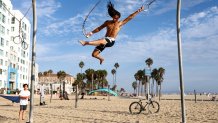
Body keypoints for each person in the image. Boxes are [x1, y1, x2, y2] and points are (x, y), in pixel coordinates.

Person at [79, 1, 144, 64]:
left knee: (103, 40)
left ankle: (86, 43)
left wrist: (139, 10)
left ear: (118, 18)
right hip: (104, 41)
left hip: (111, 41)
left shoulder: (120, 23)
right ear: (112, 16)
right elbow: (99, 28)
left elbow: (130, 17)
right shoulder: (107, 22)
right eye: (114, 18)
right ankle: (101, 59)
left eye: (116, 18)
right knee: (94, 54)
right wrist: (91, 33)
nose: (114, 19)